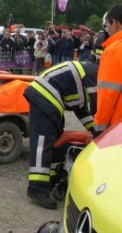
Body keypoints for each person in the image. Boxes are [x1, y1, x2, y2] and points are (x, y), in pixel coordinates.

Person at [24, 60, 98, 209]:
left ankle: (48, 182)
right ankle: (37, 189)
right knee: (42, 143)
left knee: (53, 143)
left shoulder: (90, 73)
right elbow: (98, 107)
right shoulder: (96, 75)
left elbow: (81, 110)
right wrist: (102, 132)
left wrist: (95, 131)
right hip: (46, 97)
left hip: (49, 99)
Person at [94, 4, 122, 134]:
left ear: (115, 23)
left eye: (107, 25)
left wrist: (99, 130)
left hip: (117, 130)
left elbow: (107, 95)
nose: (107, 30)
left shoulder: (114, 50)